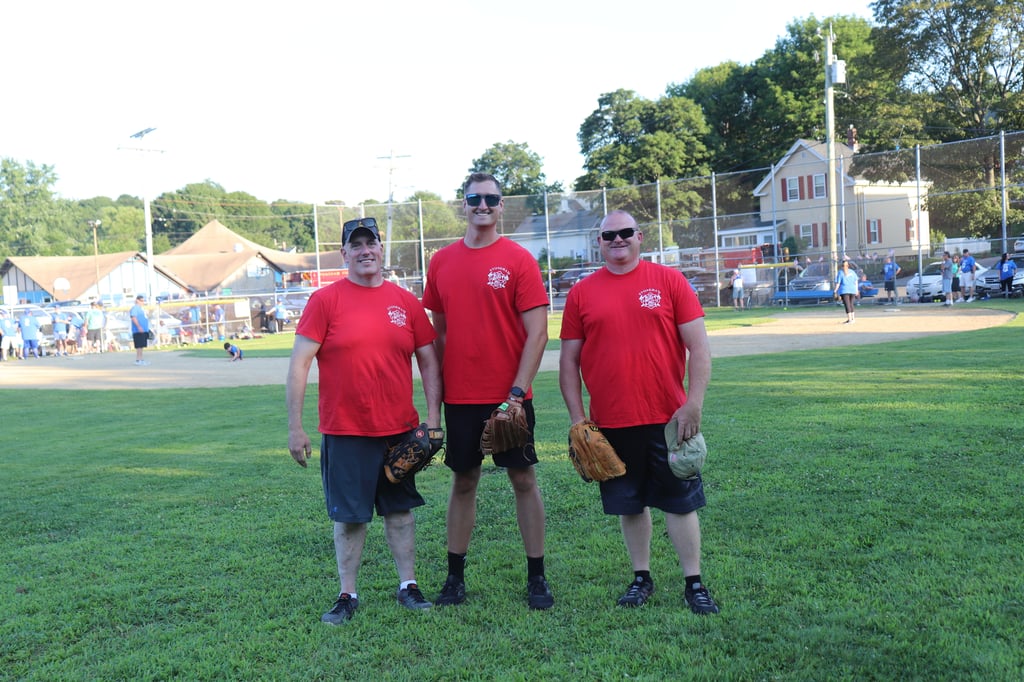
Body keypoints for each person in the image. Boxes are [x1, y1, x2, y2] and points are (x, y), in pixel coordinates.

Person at [559, 210, 720, 615]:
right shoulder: (582, 292)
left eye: (625, 233)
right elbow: (568, 362)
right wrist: (579, 418)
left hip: (668, 420)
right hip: (610, 423)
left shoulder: (668, 281)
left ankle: (694, 582)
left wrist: (693, 403)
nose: (617, 240)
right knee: (629, 505)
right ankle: (641, 577)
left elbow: (699, 348)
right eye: (608, 235)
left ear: (640, 237)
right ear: (599, 241)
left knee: (680, 501)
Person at [286, 217, 442, 625]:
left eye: (370, 242)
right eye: (355, 245)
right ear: (344, 254)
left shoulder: (405, 301)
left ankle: (408, 584)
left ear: (380, 247)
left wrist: (433, 418)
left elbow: (428, 361)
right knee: (350, 517)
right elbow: (300, 363)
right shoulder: (325, 301)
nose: (365, 250)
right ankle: (347, 593)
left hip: (398, 430)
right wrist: (295, 426)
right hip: (345, 431)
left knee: (400, 512)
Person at [421, 172, 553, 610]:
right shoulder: (441, 261)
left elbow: (538, 333)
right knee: (463, 480)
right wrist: (435, 405)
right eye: (474, 198)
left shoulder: (518, 260)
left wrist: (516, 392)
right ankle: (454, 578)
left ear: (501, 207)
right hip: (461, 396)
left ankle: (537, 577)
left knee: (523, 479)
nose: (483, 205)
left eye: (491, 199)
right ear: (463, 204)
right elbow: (437, 338)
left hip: (509, 397)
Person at [834, 259, 860, 323]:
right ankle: (853, 319)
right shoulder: (852, 272)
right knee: (851, 304)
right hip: (852, 290)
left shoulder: (840, 272)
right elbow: (856, 281)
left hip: (844, 290)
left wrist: (835, 291)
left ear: (842, 266)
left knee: (847, 305)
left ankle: (850, 319)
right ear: (848, 265)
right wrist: (856, 289)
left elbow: (838, 283)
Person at [129, 295, 150, 365]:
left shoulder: (141, 309)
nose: (142, 302)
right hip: (138, 330)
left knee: (141, 346)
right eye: (141, 300)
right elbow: (133, 317)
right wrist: (139, 326)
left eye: (143, 301)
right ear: (137, 300)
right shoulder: (135, 308)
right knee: (139, 346)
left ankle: (141, 359)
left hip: (143, 330)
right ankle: (138, 360)